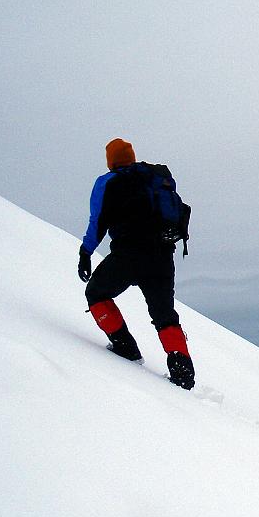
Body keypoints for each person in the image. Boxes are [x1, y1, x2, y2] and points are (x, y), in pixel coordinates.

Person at [77, 138, 195, 390]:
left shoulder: (107, 182)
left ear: (111, 161)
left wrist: (86, 252)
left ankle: (125, 348)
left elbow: (97, 222)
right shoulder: (155, 178)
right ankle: (183, 376)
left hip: (128, 256)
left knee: (96, 293)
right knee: (164, 315)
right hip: (162, 257)